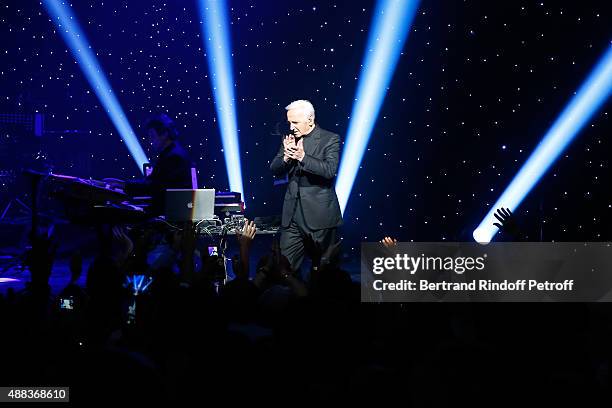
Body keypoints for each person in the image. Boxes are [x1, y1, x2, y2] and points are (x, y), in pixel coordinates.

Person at [269, 100, 343, 273]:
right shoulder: (290, 139)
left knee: (325, 272)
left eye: (295, 122)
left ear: (310, 119)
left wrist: (302, 157)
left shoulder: (330, 139)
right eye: (289, 122)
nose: (291, 126)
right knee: (284, 267)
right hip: (292, 216)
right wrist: (286, 158)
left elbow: (329, 171)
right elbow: (274, 168)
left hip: (319, 217)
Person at [105, 114, 195, 215]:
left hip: (167, 216)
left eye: (152, 136)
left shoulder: (173, 157)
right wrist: (123, 184)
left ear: (164, 134)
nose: (150, 140)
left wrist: (122, 185)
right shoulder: (173, 153)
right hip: (167, 212)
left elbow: (152, 186)